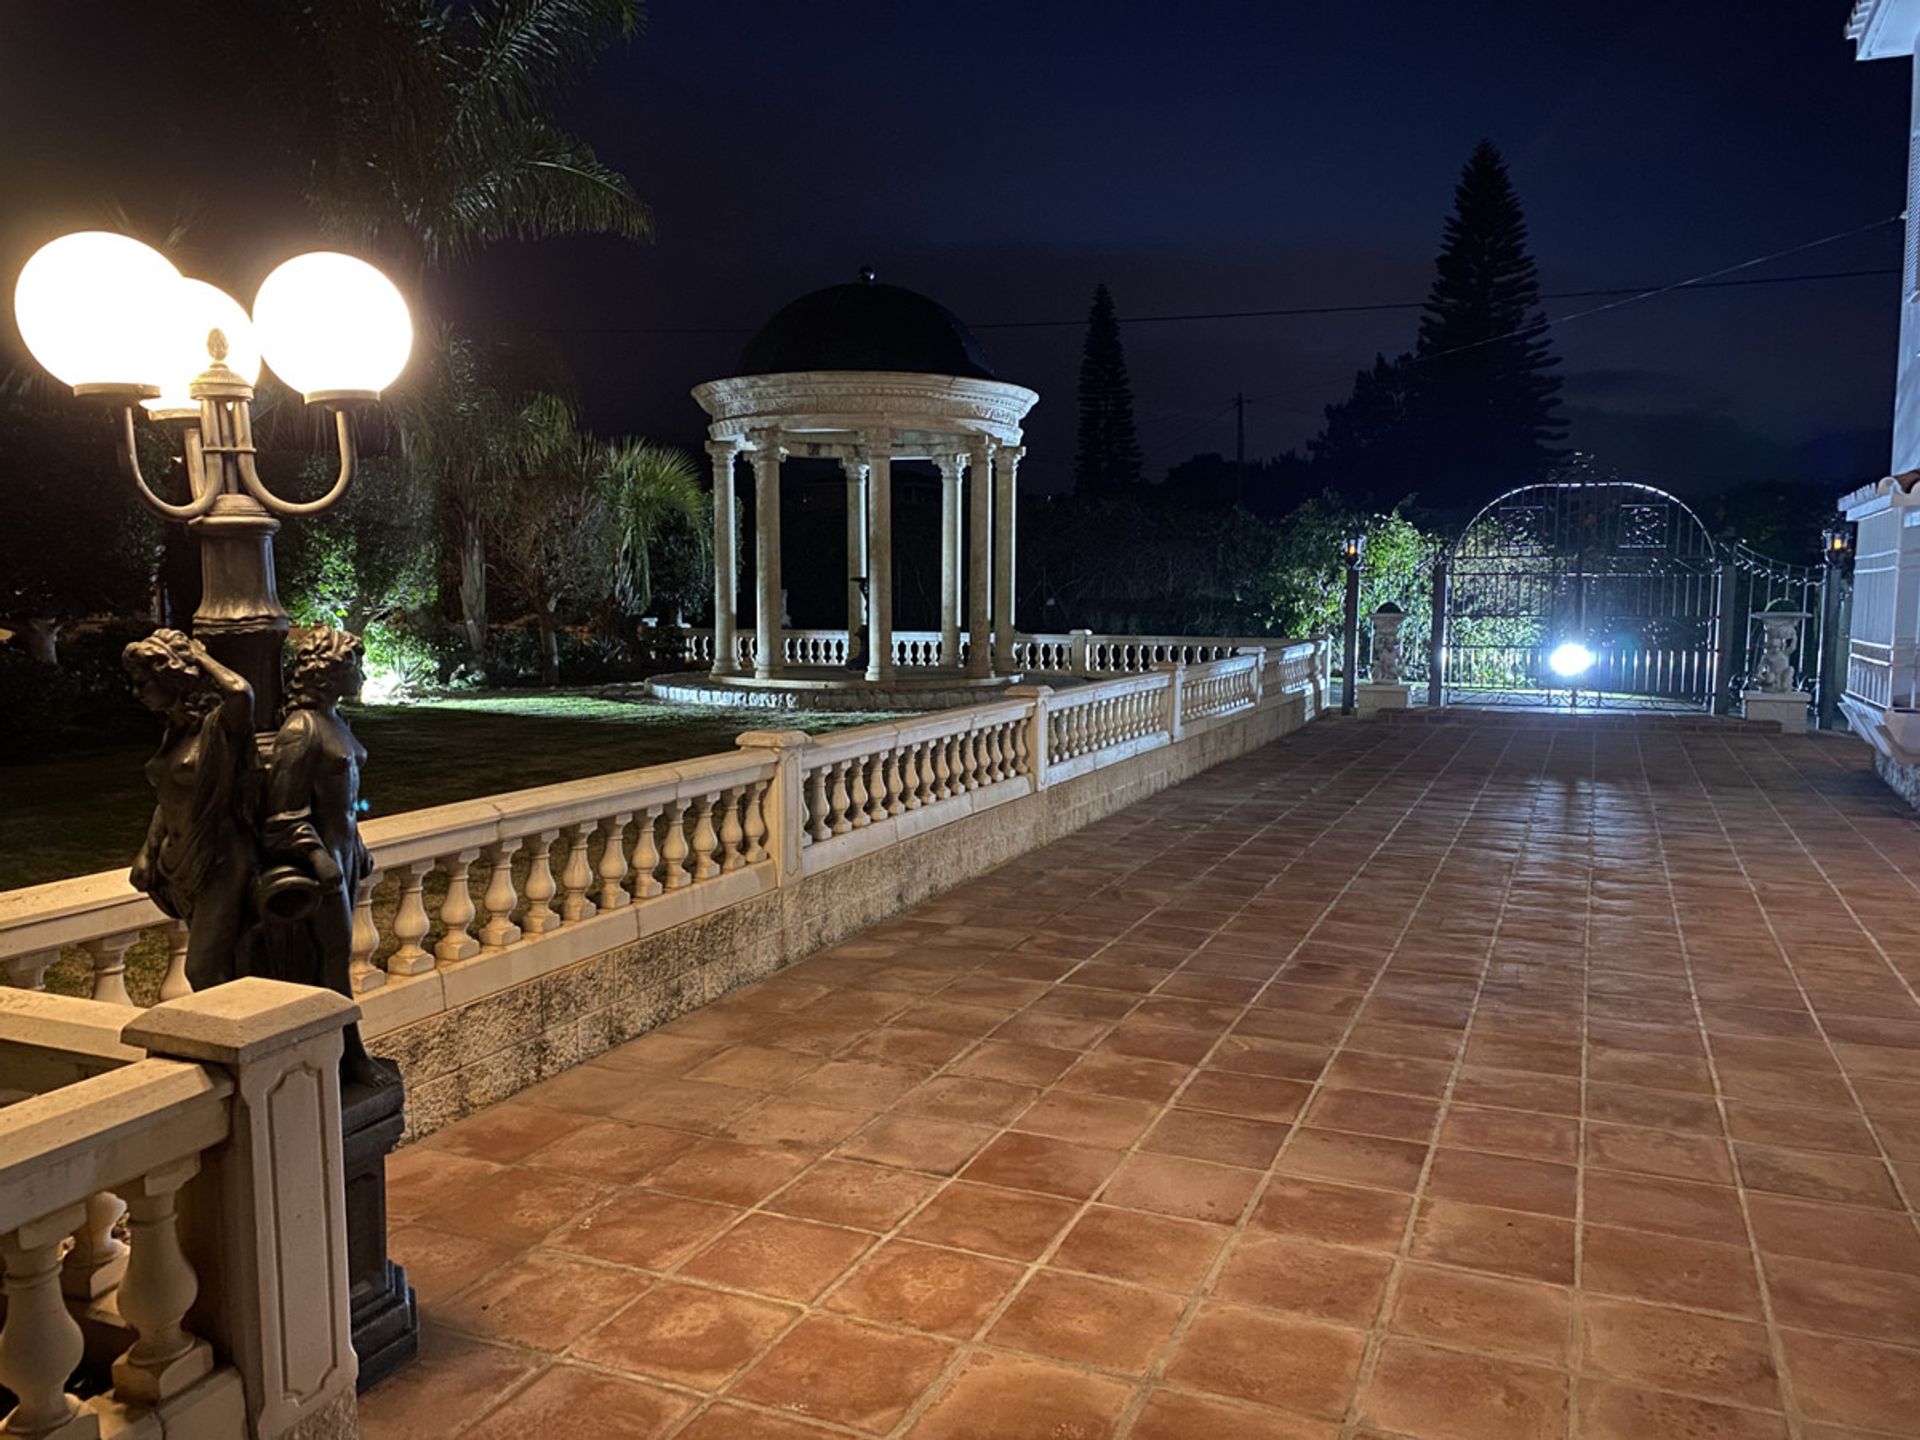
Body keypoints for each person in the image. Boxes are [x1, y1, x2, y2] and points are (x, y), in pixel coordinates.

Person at [259, 627, 392, 1088]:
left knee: (339, 954)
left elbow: (346, 802)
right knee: (332, 958)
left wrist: (357, 846)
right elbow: (283, 815)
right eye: (354, 664)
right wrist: (319, 859)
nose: (361, 673)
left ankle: (342, 1053)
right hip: (325, 864)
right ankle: (348, 1055)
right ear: (329, 670)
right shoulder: (302, 730)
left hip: (345, 853)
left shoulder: (335, 720)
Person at [123, 630, 258, 992]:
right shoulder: (176, 730)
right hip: (178, 862)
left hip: (220, 859)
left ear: (171, 676)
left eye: (143, 683)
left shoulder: (219, 729)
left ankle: (228, 1041)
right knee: (222, 963)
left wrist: (199, 657)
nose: (136, 693)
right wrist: (148, 852)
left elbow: (240, 692)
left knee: (203, 969)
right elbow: (167, 800)